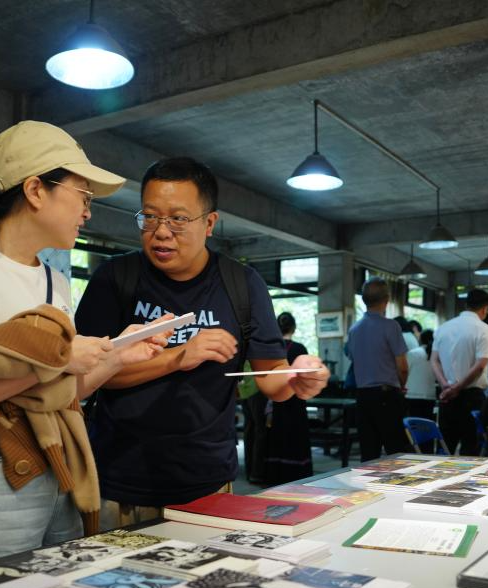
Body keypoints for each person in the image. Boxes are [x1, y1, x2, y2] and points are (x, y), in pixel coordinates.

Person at [0, 121, 169, 571]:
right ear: (34, 190)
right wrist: (58, 359)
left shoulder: (54, 280)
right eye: (83, 196)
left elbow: (58, 393)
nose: (87, 212)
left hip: (56, 461)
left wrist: (118, 356)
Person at [74, 157, 329, 527]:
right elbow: (89, 377)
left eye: (178, 219)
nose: (161, 232)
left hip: (209, 480)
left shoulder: (242, 284)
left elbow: (271, 378)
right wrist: (178, 356)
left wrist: (298, 376)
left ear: (209, 223)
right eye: (150, 217)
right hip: (120, 480)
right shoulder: (115, 279)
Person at [345, 278, 409, 461]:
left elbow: (352, 358)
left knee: (369, 452)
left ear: (364, 299)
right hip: (386, 395)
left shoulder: (354, 330)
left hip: (363, 396)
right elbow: (402, 367)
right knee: (395, 450)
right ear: (387, 299)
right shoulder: (391, 326)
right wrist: (401, 385)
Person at [431, 289, 488, 455]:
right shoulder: (484, 329)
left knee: (446, 449)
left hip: (447, 397)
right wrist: (457, 388)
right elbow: (480, 366)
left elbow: (434, 360)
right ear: (485, 309)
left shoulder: (443, 328)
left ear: (466, 305)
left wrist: (446, 385)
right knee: (471, 451)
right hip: (471, 398)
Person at [264, 312, 313, 484]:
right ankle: (297, 474)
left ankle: (275, 474)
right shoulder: (299, 349)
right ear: (294, 328)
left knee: (277, 436)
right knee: (296, 436)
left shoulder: (272, 349)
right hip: (296, 400)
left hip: (276, 399)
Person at [405, 329, 437, 452]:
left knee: (412, 430)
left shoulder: (413, 353)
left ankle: (413, 454)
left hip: (412, 395)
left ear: (420, 339)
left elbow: (404, 371)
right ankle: (427, 454)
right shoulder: (436, 354)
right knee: (427, 430)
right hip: (430, 396)